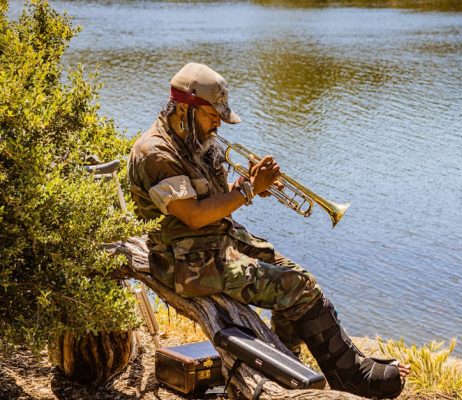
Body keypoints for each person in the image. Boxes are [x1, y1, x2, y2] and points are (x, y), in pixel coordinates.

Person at [128, 62, 410, 398]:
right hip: (186, 265)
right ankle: (349, 374)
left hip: (219, 243)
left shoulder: (198, 140)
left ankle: (295, 365)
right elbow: (192, 215)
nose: (218, 123)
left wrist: (248, 184)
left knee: (300, 278)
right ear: (186, 107)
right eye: (212, 115)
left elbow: (214, 198)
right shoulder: (156, 152)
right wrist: (246, 191)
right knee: (295, 289)